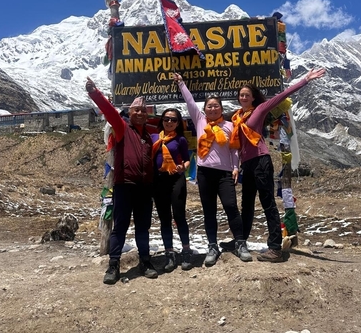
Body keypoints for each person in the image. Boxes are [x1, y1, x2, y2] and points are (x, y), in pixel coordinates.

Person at [227, 68, 326, 263]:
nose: (243, 97)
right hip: (247, 164)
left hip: (261, 162)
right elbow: (239, 146)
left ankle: (275, 248)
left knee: (267, 204)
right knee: (246, 205)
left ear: (254, 97)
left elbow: (283, 95)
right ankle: (240, 241)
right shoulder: (236, 118)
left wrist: (305, 79)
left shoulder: (260, 110)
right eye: (241, 95)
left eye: (247, 94)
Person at [86, 77, 158, 283]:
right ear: (130, 112)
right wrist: (95, 93)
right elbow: (109, 112)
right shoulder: (122, 128)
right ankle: (113, 265)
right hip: (124, 186)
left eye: (144, 110)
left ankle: (145, 260)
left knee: (143, 227)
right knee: (120, 227)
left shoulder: (148, 136)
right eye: (136, 110)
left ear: (147, 115)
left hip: (144, 188)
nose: (140, 113)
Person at [174, 73, 249, 266]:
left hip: (225, 173)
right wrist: (181, 83)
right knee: (209, 211)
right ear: (205, 109)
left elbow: (233, 149)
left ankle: (240, 243)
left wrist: (235, 168)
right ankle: (212, 246)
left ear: (222, 109)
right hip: (205, 173)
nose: (213, 108)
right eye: (209, 106)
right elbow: (190, 101)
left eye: (216, 106)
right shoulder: (200, 121)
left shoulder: (230, 125)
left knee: (231, 206)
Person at [151, 109, 192, 272]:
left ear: (178, 122)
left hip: (176, 179)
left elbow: (187, 159)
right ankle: (169, 253)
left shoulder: (180, 139)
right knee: (164, 218)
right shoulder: (154, 138)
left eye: (173, 120)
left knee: (179, 215)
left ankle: (186, 250)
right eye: (167, 119)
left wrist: (183, 167)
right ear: (162, 120)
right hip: (159, 180)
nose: (169, 122)